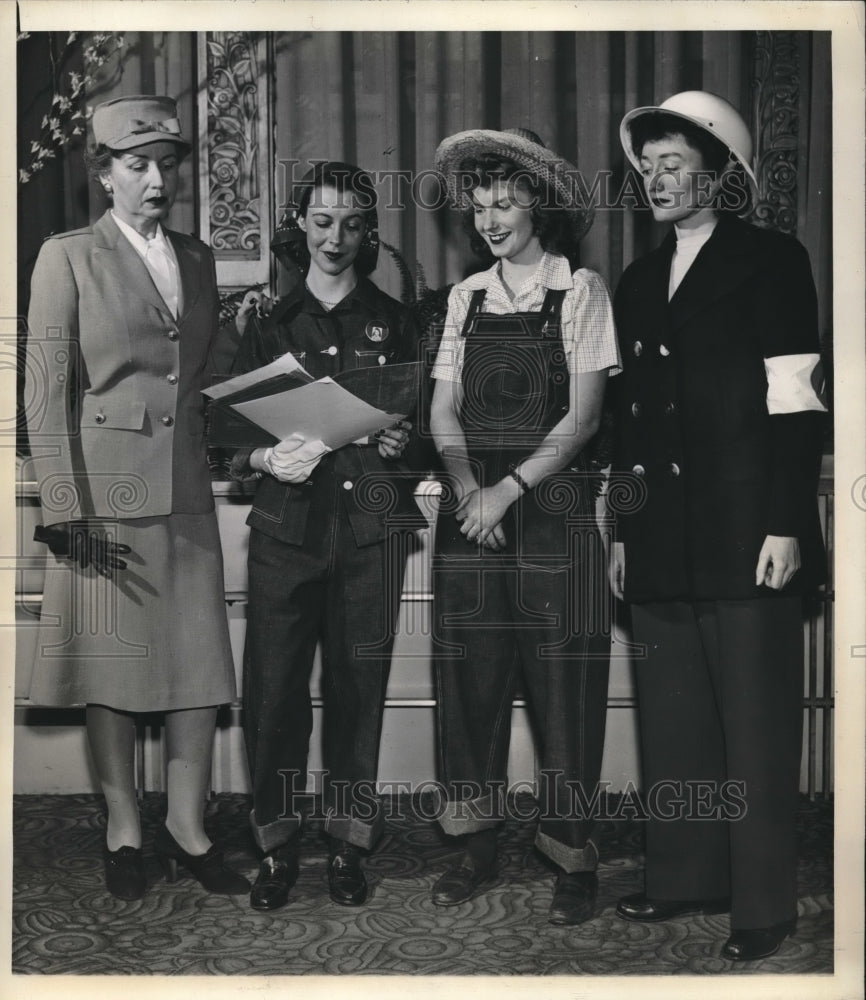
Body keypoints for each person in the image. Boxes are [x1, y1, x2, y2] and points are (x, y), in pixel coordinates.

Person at [609, 91, 827, 960]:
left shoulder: (774, 260)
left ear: (720, 176)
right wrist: (625, 531)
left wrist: (786, 523)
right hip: (661, 534)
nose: (656, 180)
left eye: (674, 164)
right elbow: (630, 423)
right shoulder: (635, 280)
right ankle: (684, 876)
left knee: (756, 724)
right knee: (675, 722)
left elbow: (795, 401)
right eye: (647, 166)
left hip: (748, 530)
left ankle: (763, 906)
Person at [24, 95, 250, 900]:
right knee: (111, 670)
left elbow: (208, 378)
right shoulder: (68, 256)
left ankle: (188, 826)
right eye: (137, 165)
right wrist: (62, 511)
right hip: (103, 492)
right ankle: (124, 826)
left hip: (185, 485)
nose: (157, 181)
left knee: (196, 667)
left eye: (167, 166)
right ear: (105, 173)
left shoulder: (194, 257)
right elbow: (44, 396)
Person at [429, 128, 621, 925]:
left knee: (565, 688)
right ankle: (474, 845)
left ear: (537, 203)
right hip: (472, 513)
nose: (491, 220)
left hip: (551, 512)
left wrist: (504, 492)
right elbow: (441, 411)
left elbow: (580, 422)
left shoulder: (581, 290)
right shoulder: (465, 296)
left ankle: (573, 852)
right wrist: (468, 485)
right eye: (480, 208)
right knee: (468, 683)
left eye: (505, 204)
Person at [228, 161, 423, 910]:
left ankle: (348, 844)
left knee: (356, 690)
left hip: (370, 528)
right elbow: (225, 435)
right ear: (299, 226)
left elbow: (421, 437)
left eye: (349, 222)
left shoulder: (397, 321)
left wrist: (404, 442)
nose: (334, 236)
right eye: (321, 220)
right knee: (273, 694)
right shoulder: (266, 323)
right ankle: (276, 846)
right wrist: (260, 456)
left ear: (367, 230)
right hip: (288, 528)